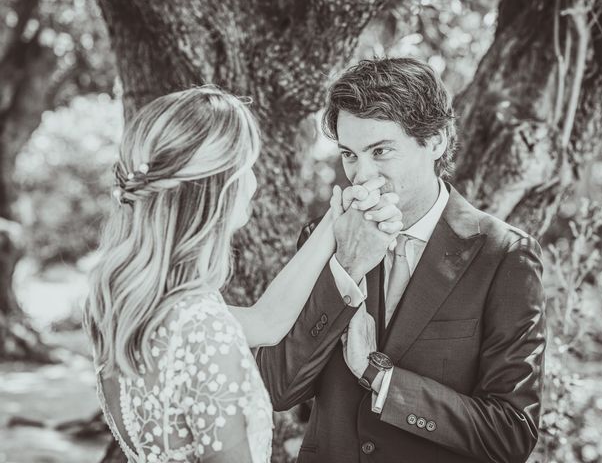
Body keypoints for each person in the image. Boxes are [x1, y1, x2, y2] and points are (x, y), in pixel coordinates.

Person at [83, 85, 404, 463]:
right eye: (248, 167)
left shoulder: (127, 306)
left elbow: (266, 321)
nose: (254, 182)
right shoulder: (205, 330)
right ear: (221, 188)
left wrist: (336, 220)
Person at [256, 57, 546, 463]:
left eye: (380, 151)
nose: (361, 175)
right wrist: (347, 267)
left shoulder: (504, 256)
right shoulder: (324, 240)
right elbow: (276, 386)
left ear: (437, 141)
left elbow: (511, 433)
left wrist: (382, 378)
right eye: (349, 155)